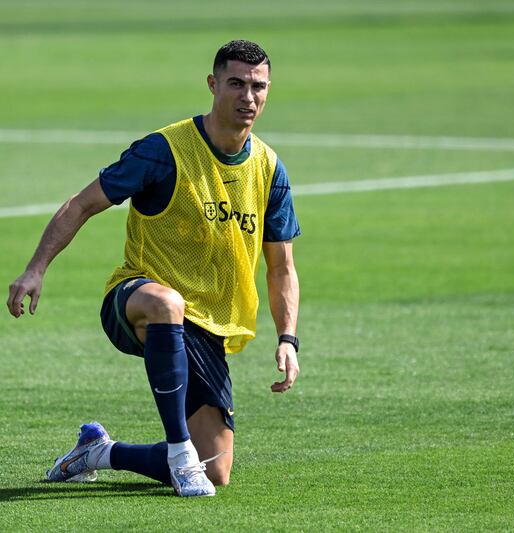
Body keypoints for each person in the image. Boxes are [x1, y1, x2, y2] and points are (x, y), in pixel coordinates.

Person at [6, 40, 301, 497]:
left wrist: (287, 338)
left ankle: (98, 452)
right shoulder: (164, 150)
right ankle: (180, 450)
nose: (248, 97)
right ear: (213, 84)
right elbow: (82, 204)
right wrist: (35, 269)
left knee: (217, 469)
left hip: (208, 324)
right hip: (136, 299)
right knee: (168, 302)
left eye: (258, 87)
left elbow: (281, 266)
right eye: (236, 84)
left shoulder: (268, 168)